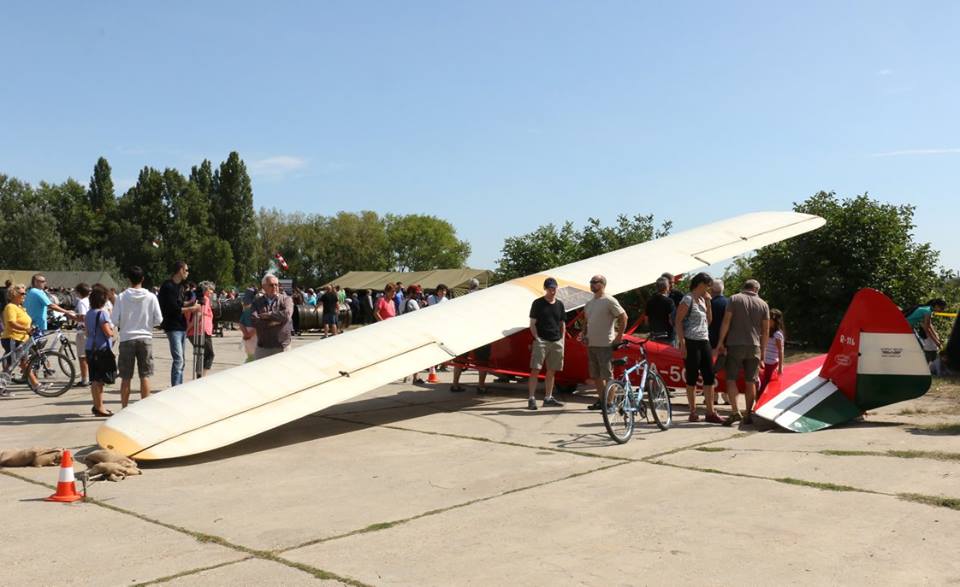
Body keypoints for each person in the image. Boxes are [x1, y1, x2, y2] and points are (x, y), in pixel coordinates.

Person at [716, 279, 770, 427]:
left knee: (731, 378)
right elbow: (765, 331)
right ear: (756, 289)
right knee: (750, 381)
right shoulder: (763, 304)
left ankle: (734, 412)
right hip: (755, 346)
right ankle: (747, 413)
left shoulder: (734, 298)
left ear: (744, 287)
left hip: (735, 343)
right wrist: (763, 353)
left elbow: (726, 322)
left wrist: (721, 342)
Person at [113, 266, 163, 408]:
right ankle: (145, 409)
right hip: (145, 337)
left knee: (126, 377)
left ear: (128, 280)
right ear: (143, 279)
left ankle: (124, 408)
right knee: (145, 375)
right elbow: (159, 320)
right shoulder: (151, 297)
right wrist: (147, 323)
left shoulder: (121, 297)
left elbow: (115, 320)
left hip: (127, 338)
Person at [676, 272, 722, 423]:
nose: (708, 288)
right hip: (691, 341)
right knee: (692, 377)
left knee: (709, 376)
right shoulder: (687, 299)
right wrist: (682, 343)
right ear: (700, 284)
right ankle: (693, 411)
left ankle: (710, 412)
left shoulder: (703, 299)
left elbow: (709, 321)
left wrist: (708, 303)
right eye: (707, 285)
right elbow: (678, 321)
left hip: (704, 340)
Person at [581, 275, 628, 410]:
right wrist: (584, 334)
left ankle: (610, 403)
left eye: (595, 282)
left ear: (602, 284)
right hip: (592, 344)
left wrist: (618, 337)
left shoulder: (609, 300)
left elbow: (623, 317)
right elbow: (586, 321)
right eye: (591, 282)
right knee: (595, 375)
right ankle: (602, 401)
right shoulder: (589, 303)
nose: (592, 284)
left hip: (605, 344)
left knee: (607, 375)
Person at [158, 261, 200, 387]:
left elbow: (180, 304)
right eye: (186, 270)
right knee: (178, 359)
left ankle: (179, 386)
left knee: (182, 360)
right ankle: (175, 388)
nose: (187, 272)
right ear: (180, 270)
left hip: (181, 326)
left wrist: (192, 303)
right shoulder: (168, 286)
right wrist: (191, 309)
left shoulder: (180, 286)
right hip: (172, 326)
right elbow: (173, 308)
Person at [526, 277, 566, 410]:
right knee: (535, 369)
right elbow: (532, 323)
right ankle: (531, 398)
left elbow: (562, 323)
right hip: (542, 340)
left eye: (554, 288)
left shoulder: (560, 304)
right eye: (550, 288)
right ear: (545, 289)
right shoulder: (537, 303)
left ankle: (548, 397)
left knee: (552, 371)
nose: (552, 291)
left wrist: (562, 340)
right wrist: (537, 338)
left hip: (556, 341)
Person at [1, 284, 40, 395]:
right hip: (12, 338)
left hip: (21, 338)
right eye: (22, 293)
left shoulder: (20, 307)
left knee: (22, 363)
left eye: (25, 293)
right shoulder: (10, 307)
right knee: (12, 364)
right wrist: (26, 329)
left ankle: (37, 385)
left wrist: (31, 327)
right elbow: (11, 323)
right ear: (14, 294)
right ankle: (36, 385)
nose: (25, 295)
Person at [85, 285, 116, 417]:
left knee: (94, 379)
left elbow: (87, 332)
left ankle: (97, 405)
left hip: (90, 347)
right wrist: (113, 331)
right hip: (101, 350)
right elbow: (108, 333)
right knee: (100, 380)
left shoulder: (89, 313)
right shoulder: (102, 313)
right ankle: (100, 407)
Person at [251, 274, 294, 359]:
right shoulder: (257, 302)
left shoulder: (286, 299)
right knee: (261, 371)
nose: (275, 287)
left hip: (282, 347)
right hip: (263, 348)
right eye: (271, 285)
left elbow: (287, 315)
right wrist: (276, 321)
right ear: (264, 286)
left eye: (276, 284)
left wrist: (269, 315)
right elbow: (254, 320)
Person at [187, 281, 216, 378]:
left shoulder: (197, 298)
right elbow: (199, 315)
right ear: (205, 290)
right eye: (210, 290)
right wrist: (188, 329)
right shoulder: (205, 299)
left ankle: (199, 376)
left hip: (195, 331)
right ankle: (202, 377)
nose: (212, 292)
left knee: (200, 354)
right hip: (202, 330)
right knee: (209, 354)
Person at [906, 299, 947, 364]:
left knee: (921, 345)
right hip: (905, 327)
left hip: (909, 327)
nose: (942, 310)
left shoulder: (927, 309)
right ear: (936, 306)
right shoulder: (927, 311)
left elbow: (929, 326)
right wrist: (937, 343)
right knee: (920, 346)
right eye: (942, 308)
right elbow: (926, 329)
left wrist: (937, 338)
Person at [758, 309, 785, 395]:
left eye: (769, 318)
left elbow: (781, 351)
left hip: (771, 363)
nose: (767, 319)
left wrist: (780, 367)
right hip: (764, 362)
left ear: (775, 321)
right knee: (760, 384)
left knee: (765, 385)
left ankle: (762, 403)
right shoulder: (766, 332)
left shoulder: (777, 334)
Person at [645, 277, 676, 343]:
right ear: (666, 287)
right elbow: (671, 320)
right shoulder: (669, 301)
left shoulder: (649, 301)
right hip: (667, 336)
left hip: (654, 335)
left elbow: (646, 320)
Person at [73, 283, 92, 387]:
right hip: (91, 331)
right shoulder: (91, 300)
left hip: (83, 331)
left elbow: (83, 317)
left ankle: (84, 379)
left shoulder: (81, 302)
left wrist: (72, 316)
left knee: (82, 356)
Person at [238, 287, 258, 362]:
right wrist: (248, 334)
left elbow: (241, 323)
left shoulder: (246, 309)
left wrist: (246, 334)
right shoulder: (257, 308)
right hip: (253, 335)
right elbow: (259, 324)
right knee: (253, 357)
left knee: (251, 357)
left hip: (250, 335)